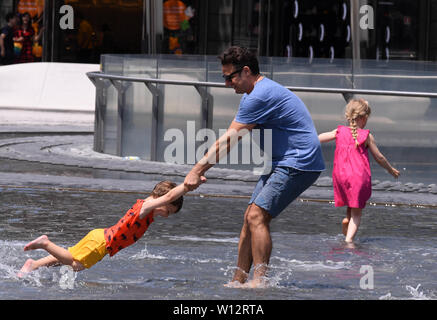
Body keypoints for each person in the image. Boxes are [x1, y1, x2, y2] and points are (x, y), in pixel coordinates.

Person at [184, 46, 325, 287]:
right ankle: (238, 280)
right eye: (224, 78)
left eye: (230, 77)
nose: (227, 83)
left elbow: (227, 141)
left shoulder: (260, 95)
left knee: (257, 215)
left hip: (300, 162)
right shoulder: (253, 94)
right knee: (249, 218)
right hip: (282, 160)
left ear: (246, 71)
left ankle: (260, 282)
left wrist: (196, 171)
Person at [19, 180, 204, 274]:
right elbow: (169, 196)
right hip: (102, 242)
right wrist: (187, 186)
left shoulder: (146, 209)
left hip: (100, 235)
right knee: (76, 265)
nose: (166, 215)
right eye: (168, 211)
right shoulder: (146, 207)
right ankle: (45, 243)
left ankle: (33, 265)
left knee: (71, 253)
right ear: (161, 199)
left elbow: (168, 198)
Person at [318, 98, 400, 243]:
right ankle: (349, 241)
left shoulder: (339, 131)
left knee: (351, 203)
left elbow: (318, 139)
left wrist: (301, 141)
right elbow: (379, 157)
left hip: (340, 175)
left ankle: (346, 220)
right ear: (364, 118)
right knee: (357, 213)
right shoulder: (366, 136)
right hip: (358, 177)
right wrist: (390, 169)